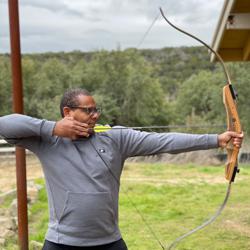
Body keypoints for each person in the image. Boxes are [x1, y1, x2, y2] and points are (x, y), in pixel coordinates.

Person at [0, 88, 243, 250]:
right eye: (88, 110)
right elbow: (5, 125)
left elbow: (164, 141)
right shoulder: (47, 141)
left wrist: (216, 139)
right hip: (62, 242)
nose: (95, 115)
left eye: (97, 110)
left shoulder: (115, 138)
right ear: (67, 112)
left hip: (109, 242)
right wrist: (53, 128)